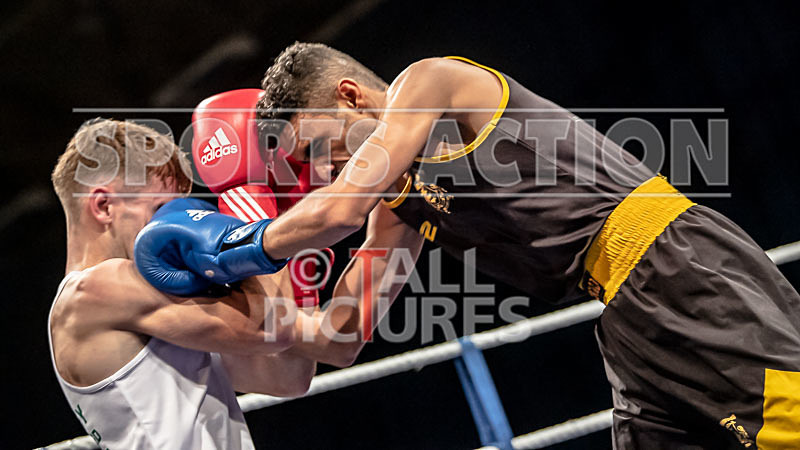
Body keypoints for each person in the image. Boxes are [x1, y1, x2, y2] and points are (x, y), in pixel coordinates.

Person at [137, 42, 800, 447]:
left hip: (678, 266)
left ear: (353, 95)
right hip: (627, 317)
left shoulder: (435, 81)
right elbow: (340, 336)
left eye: (322, 148)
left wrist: (234, 244)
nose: (328, 170)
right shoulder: (398, 204)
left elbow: (337, 210)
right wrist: (227, 308)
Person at [48, 118, 419, 449]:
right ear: (103, 206)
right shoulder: (94, 291)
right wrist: (251, 200)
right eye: (159, 210)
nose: (171, 226)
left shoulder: (158, 304)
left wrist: (398, 211)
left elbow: (288, 375)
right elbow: (273, 330)